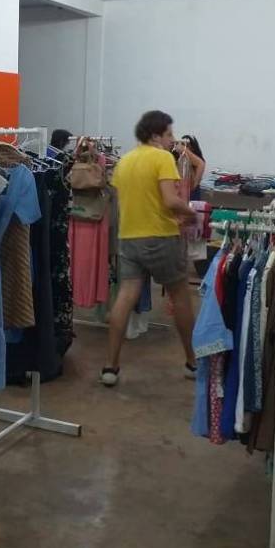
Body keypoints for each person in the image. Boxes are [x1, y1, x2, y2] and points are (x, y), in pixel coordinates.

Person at [101, 110, 197, 387]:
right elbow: (170, 200)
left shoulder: (125, 162)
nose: (172, 139)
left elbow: (127, 199)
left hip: (129, 238)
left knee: (125, 297)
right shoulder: (162, 158)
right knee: (180, 295)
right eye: (169, 134)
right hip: (160, 236)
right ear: (155, 135)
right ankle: (192, 362)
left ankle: (110, 367)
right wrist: (191, 213)